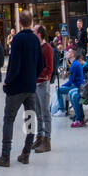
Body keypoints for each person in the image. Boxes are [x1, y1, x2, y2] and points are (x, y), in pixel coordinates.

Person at [0, 12, 42, 167]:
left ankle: (5, 156)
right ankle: (26, 153)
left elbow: (14, 65)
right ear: (31, 22)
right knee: (30, 118)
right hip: (30, 87)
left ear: (20, 22)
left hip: (16, 88)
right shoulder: (35, 39)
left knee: (9, 120)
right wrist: (32, 77)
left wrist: (8, 82)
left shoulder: (17, 39)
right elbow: (40, 64)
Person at [32, 24, 54, 153]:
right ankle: (39, 137)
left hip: (42, 84)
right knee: (38, 113)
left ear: (39, 34)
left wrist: (36, 75)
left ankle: (47, 140)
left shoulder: (47, 48)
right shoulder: (36, 47)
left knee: (45, 113)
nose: (32, 33)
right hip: (35, 84)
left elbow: (49, 68)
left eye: (34, 31)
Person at [62, 47, 87, 128]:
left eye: (69, 52)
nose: (67, 54)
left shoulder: (74, 65)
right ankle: (78, 116)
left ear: (72, 54)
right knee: (70, 93)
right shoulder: (74, 63)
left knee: (59, 90)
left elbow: (71, 81)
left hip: (78, 86)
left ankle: (61, 109)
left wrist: (62, 85)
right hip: (78, 85)